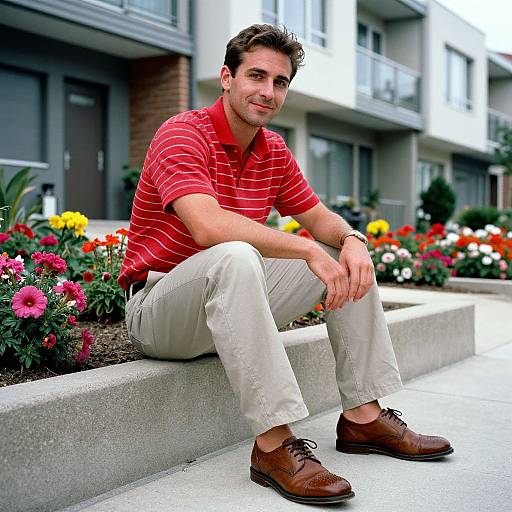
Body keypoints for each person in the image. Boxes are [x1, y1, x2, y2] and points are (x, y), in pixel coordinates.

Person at [119, 24, 453, 505]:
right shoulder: (182, 133)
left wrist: (352, 239)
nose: (268, 91)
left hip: (228, 301)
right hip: (159, 310)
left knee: (345, 256)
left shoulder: (272, 149)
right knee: (235, 254)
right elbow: (208, 227)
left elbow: (320, 219)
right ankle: (274, 447)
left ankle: (363, 418)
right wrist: (306, 248)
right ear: (227, 78)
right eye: (257, 75)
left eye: (280, 82)